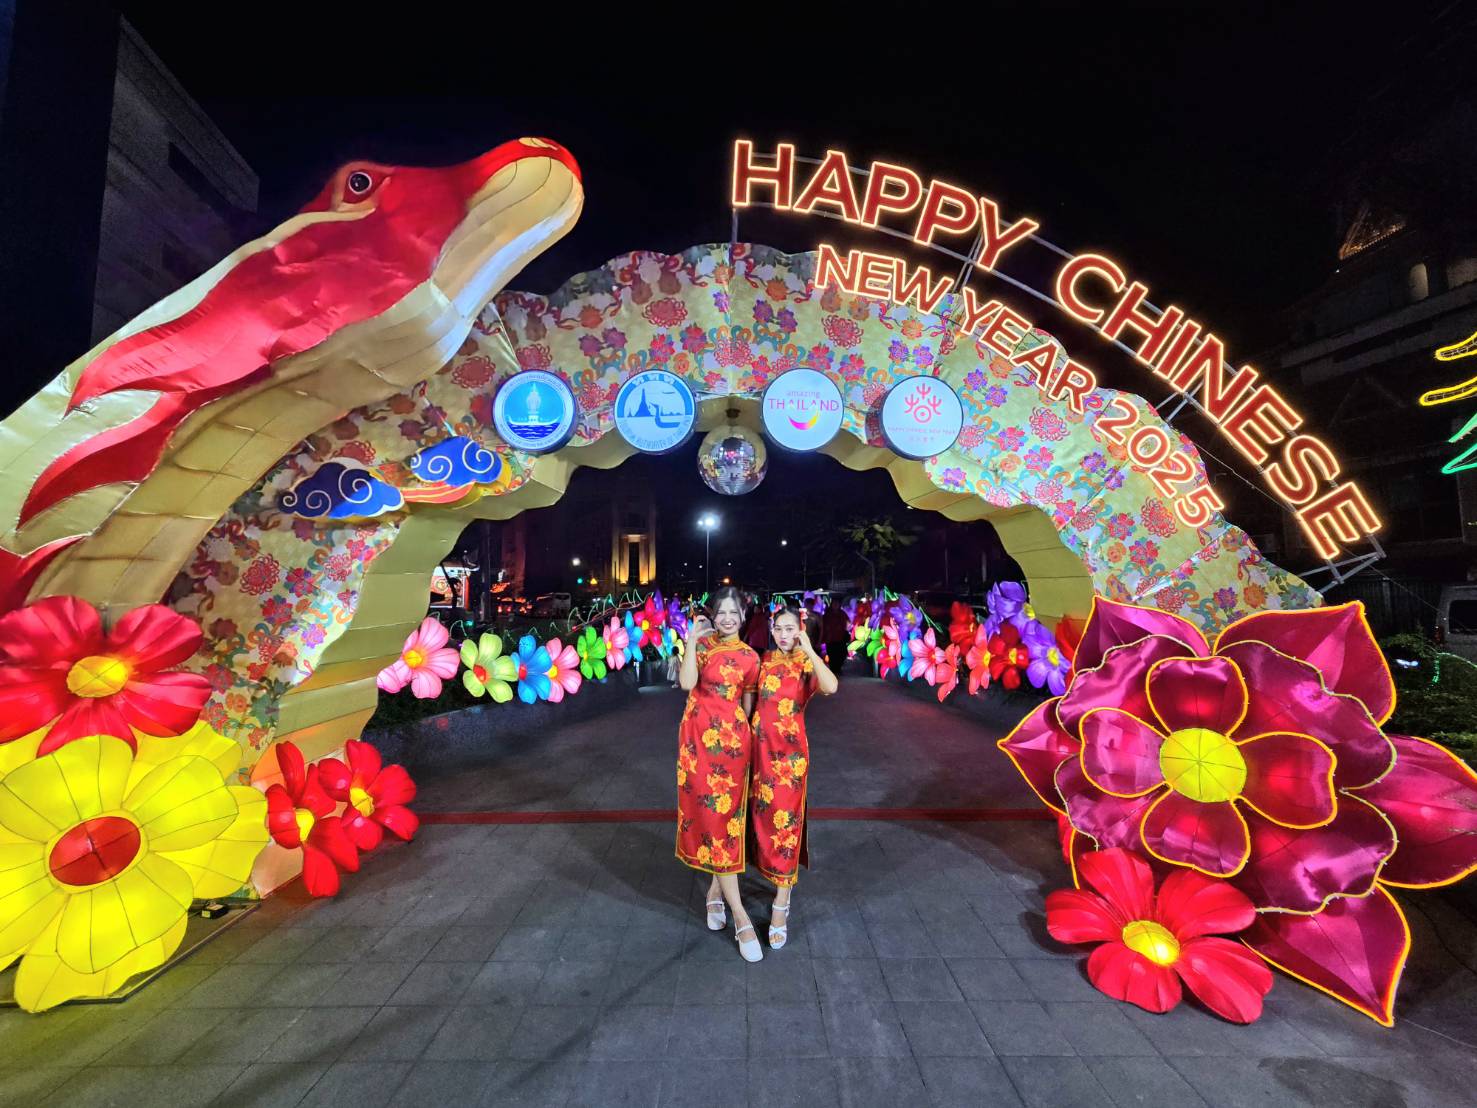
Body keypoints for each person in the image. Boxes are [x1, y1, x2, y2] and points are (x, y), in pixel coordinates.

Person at [676, 586, 764, 961]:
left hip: (733, 748)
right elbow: (686, 683)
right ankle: (738, 913)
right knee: (712, 820)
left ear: (743, 616)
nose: (727, 618)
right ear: (713, 615)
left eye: (733, 612)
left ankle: (720, 896)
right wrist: (691, 641)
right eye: (721, 612)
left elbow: (748, 706)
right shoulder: (700, 646)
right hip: (698, 743)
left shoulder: (750, 658)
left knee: (726, 823)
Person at [749, 603, 838, 949]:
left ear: (799, 630)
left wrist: (810, 649)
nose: (784, 635)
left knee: (786, 825)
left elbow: (831, 686)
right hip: (759, 755)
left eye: (790, 628)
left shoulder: (805, 663)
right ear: (772, 630)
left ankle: (781, 903)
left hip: (789, 761)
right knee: (760, 822)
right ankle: (758, 875)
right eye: (779, 628)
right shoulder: (764, 661)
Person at [820, 598, 849, 678]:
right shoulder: (828, 614)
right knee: (832, 655)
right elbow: (823, 625)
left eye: (837, 604)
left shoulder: (842, 613)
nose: (835, 605)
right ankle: (834, 671)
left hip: (841, 638)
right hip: (830, 639)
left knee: (841, 654)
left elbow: (848, 622)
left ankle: (838, 669)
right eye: (834, 604)